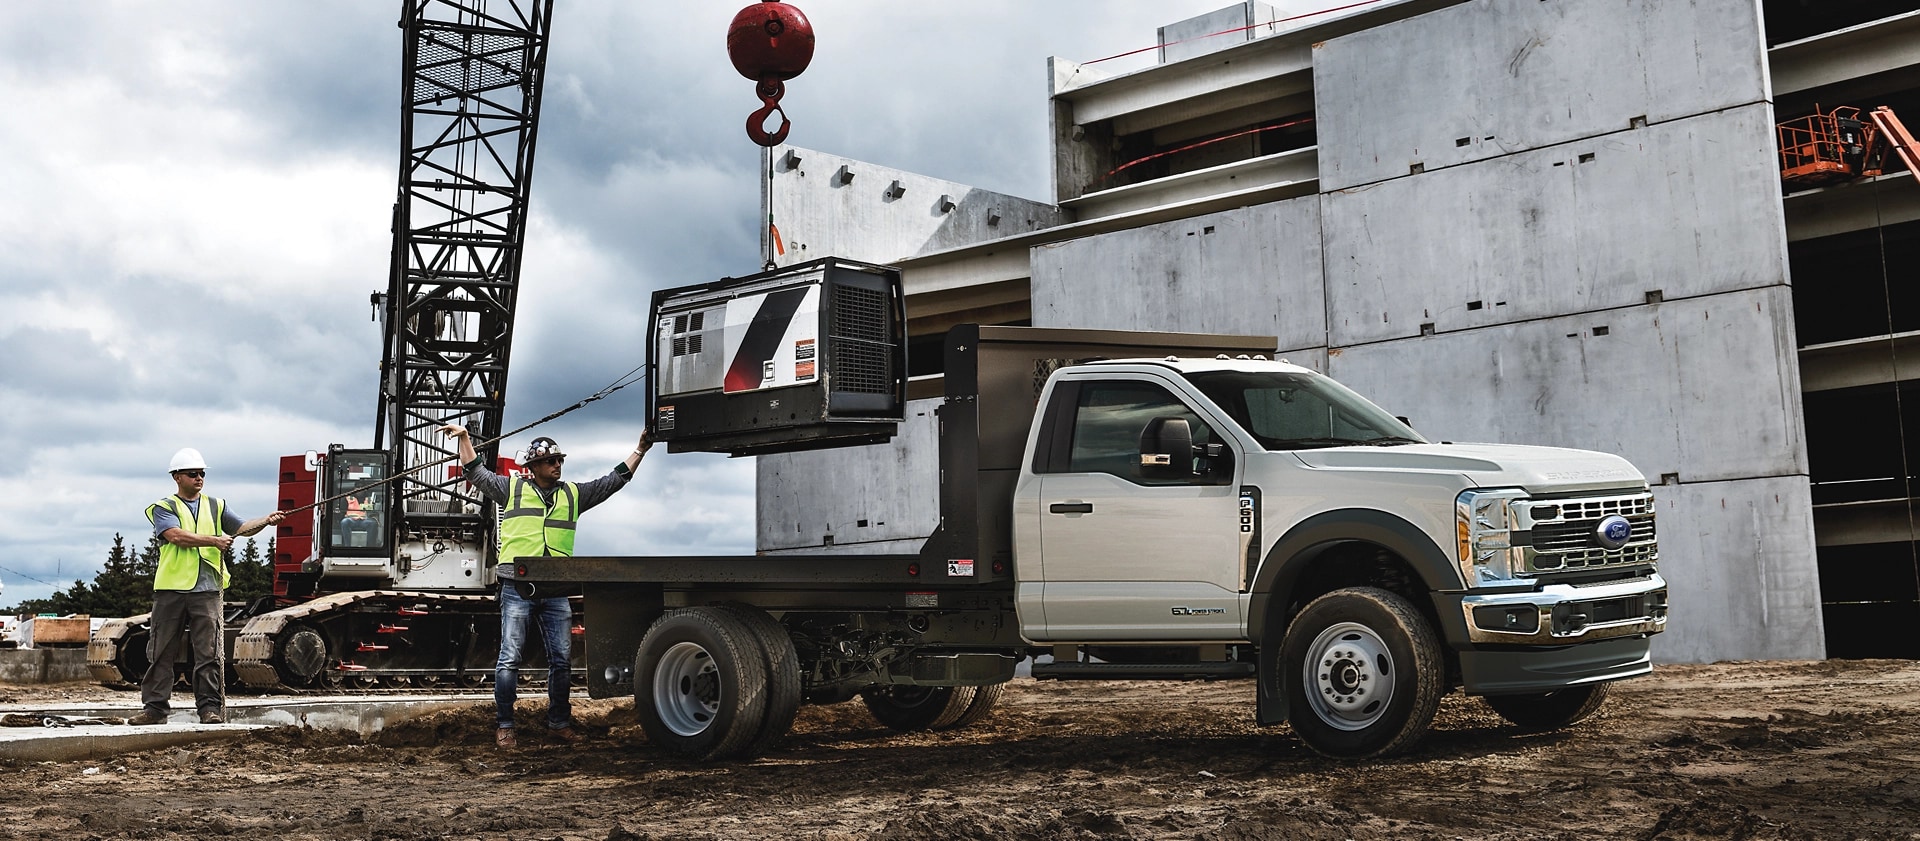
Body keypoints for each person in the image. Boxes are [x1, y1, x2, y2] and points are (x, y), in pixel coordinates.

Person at [440, 424, 652, 748]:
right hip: (517, 586)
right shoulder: (510, 489)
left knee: (562, 661)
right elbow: (476, 473)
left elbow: (613, 481)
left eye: (559, 460)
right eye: (551, 460)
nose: (557, 465)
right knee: (509, 658)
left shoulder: (573, 494)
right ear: (534, 467)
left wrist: (641, 450)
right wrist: (465, 439)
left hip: (555, 590)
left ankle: (558, 724)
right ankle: (505, 725)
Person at [129, 448, 284, 726]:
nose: (199, 477)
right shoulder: (164, 507)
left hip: (208, 590)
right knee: (161, 651)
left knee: (209, 653)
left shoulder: (216, 505)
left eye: (202, 473)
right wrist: (214, 541)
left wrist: (264, 521)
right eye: (193, 473)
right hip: (171, 590)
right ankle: (154, 710)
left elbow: (242, 527)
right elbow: (175, 536)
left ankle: (209, 709)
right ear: (177, 477)